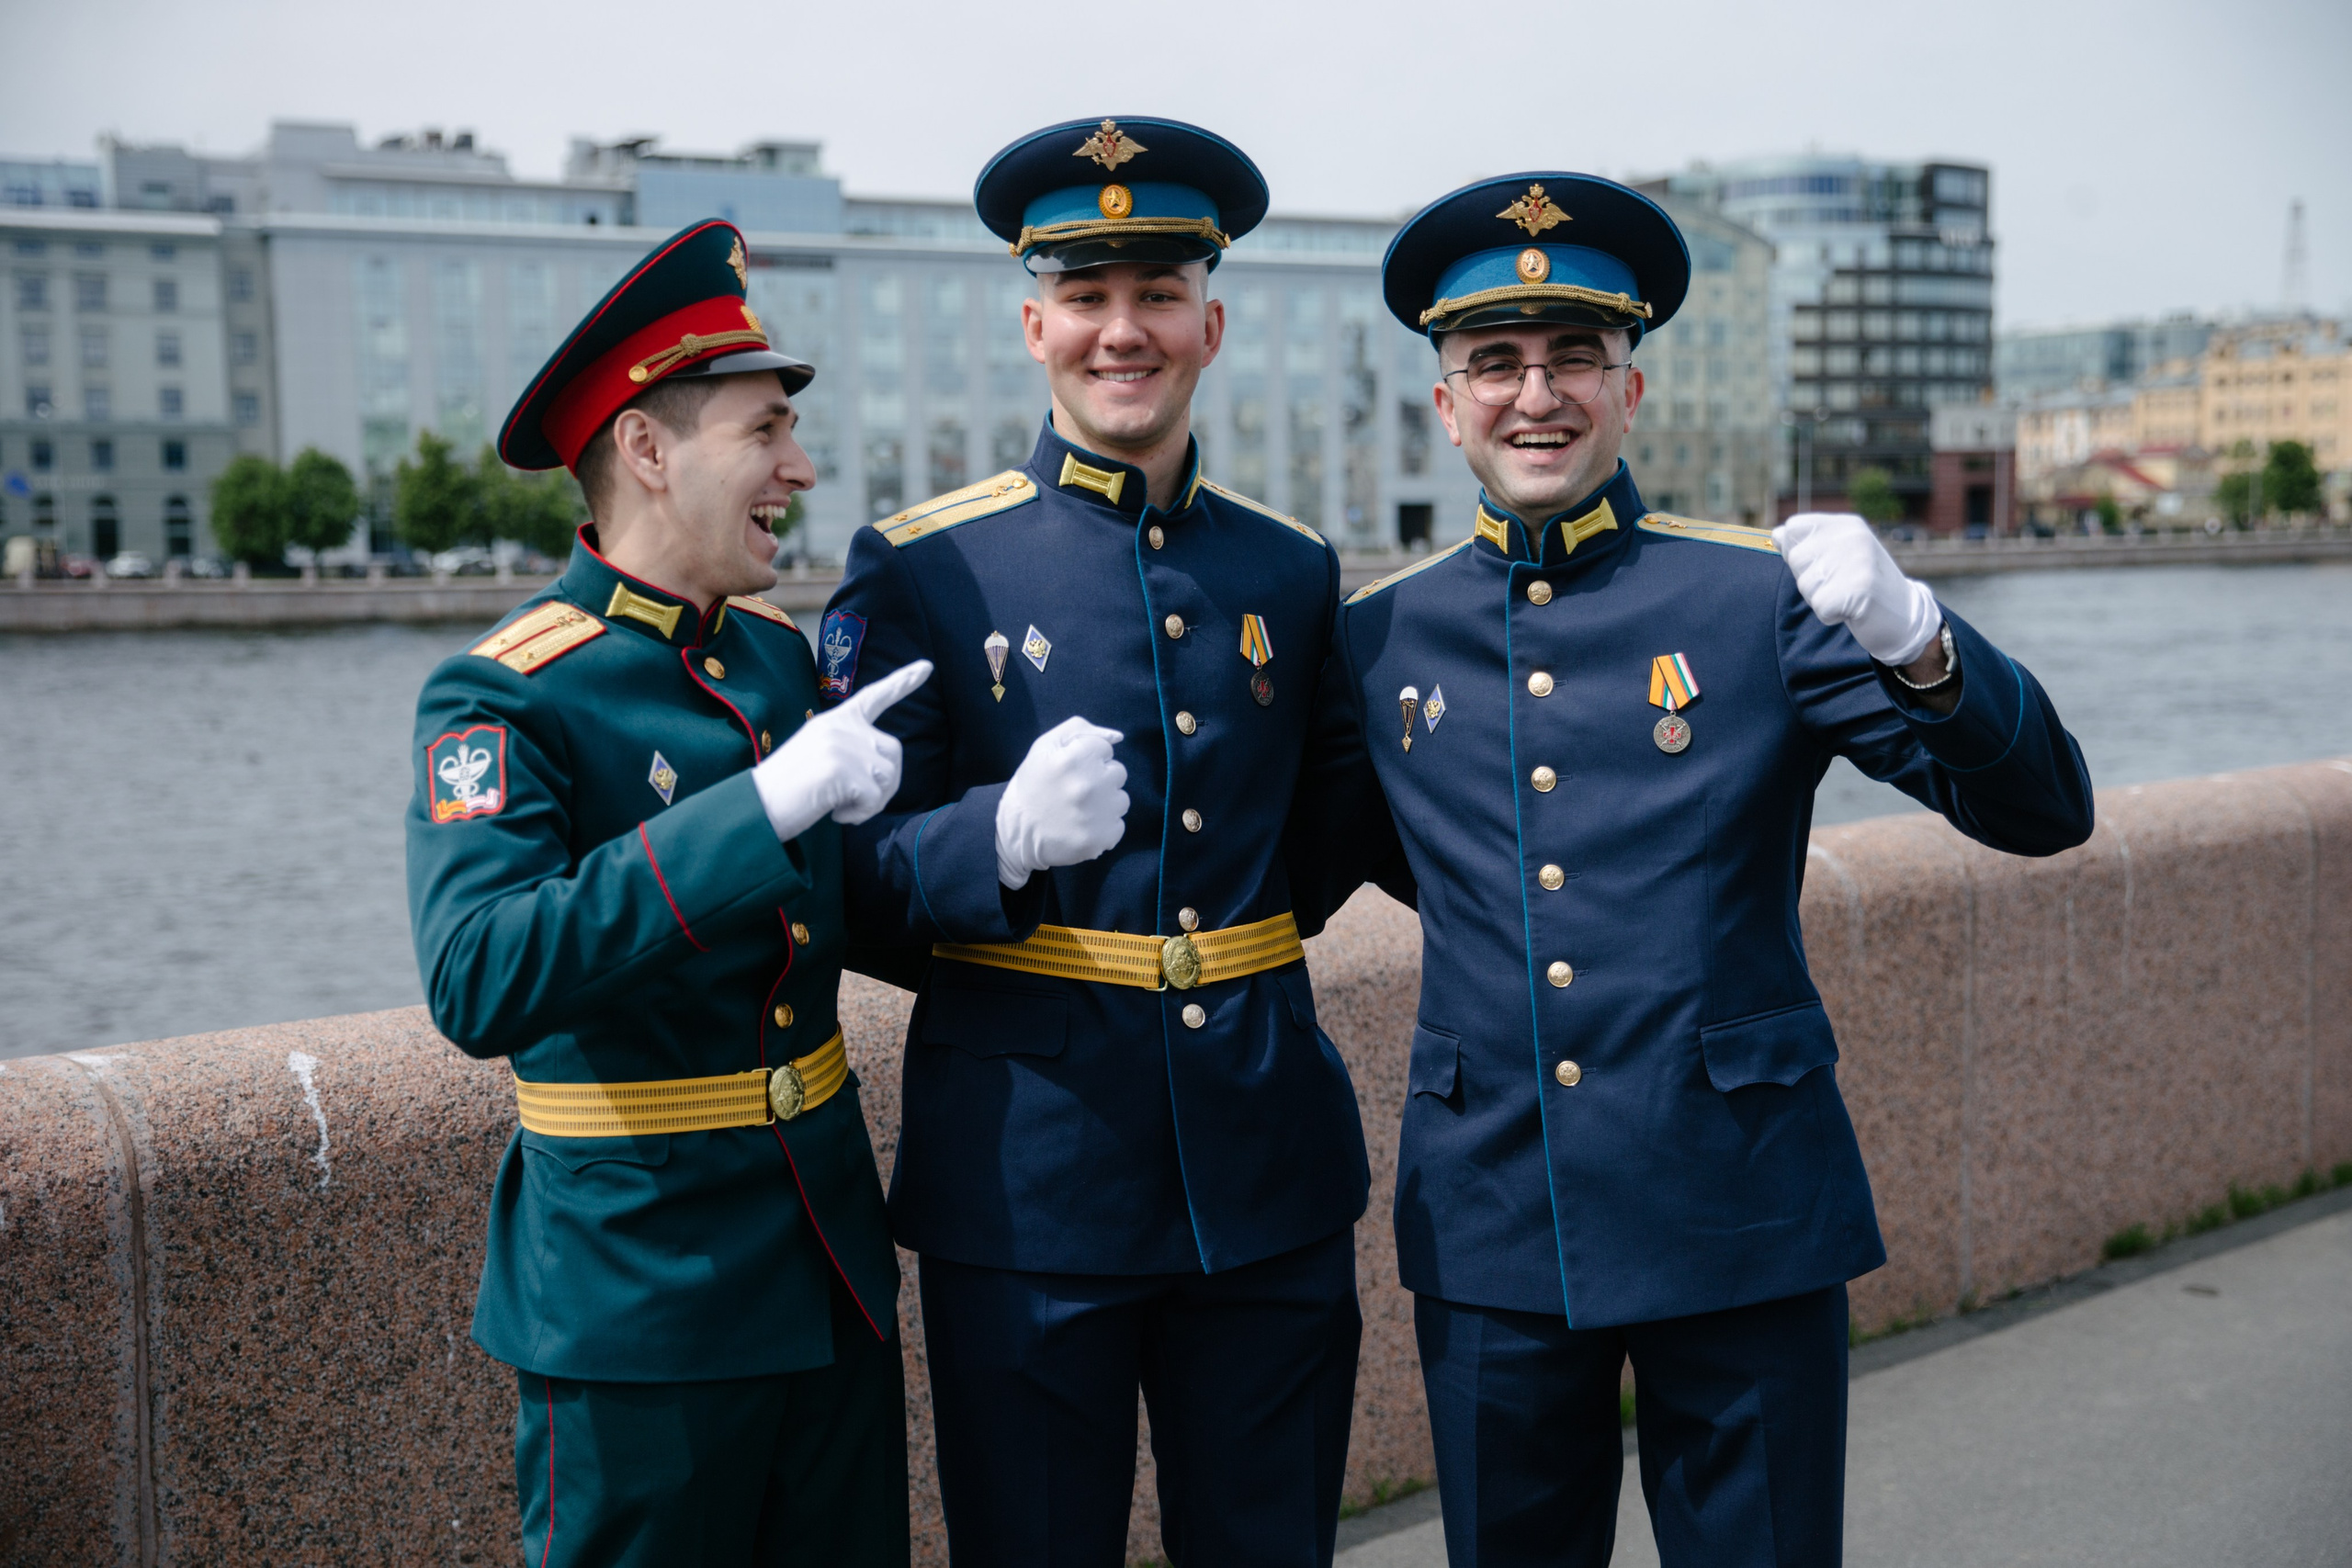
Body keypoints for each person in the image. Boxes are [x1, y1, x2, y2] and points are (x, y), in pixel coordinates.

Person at [1287, 174, 2096, 1567]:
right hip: (1495, 1225)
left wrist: (1923, 642)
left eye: (1573, 361)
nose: (1534, 395)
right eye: (1494, 364)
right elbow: (1294, 885)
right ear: (1444, 403)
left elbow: (2043, 811)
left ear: (1631, 390)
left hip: (1740, 1209)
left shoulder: (1759, 601)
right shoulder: (1380, 641)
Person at [820, 118, 1369, 1565]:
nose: (1122, 331)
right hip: (1030, 1184)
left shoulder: (1291, 569)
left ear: (1213, 321)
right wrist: (989, 842)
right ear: (1033, 324)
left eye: (1159, 294)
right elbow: (841, 885)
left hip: (1263, 1174)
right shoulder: (927, 564)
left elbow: (1315, 855)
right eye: (1085, 297)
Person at [406, 218, 933, 1568]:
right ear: (648, 448)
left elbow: (847, 909)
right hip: (640, 1307)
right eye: (765, 432)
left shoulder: (772, 660)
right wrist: (752, 812)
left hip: (827, 1276)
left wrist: (991, 851)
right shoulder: (507, 691)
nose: (800, 468)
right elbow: (478, 974)